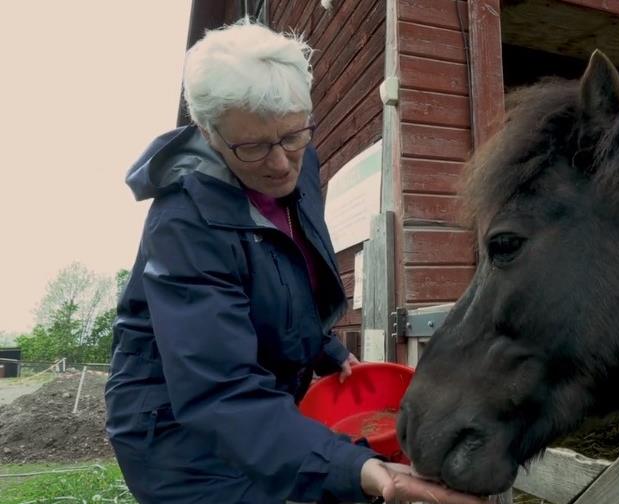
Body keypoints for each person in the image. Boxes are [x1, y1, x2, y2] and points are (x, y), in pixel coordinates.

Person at [105, 18, 481, 504]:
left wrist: (324, 348)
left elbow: (281, 278)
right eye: (254, 147)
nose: (281, 164)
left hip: (255, 408)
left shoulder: (299, 164)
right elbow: (220, 388)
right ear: (207, 132)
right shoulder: (183, 225)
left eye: (292, 136)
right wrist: (359, 466)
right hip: (176, 429)